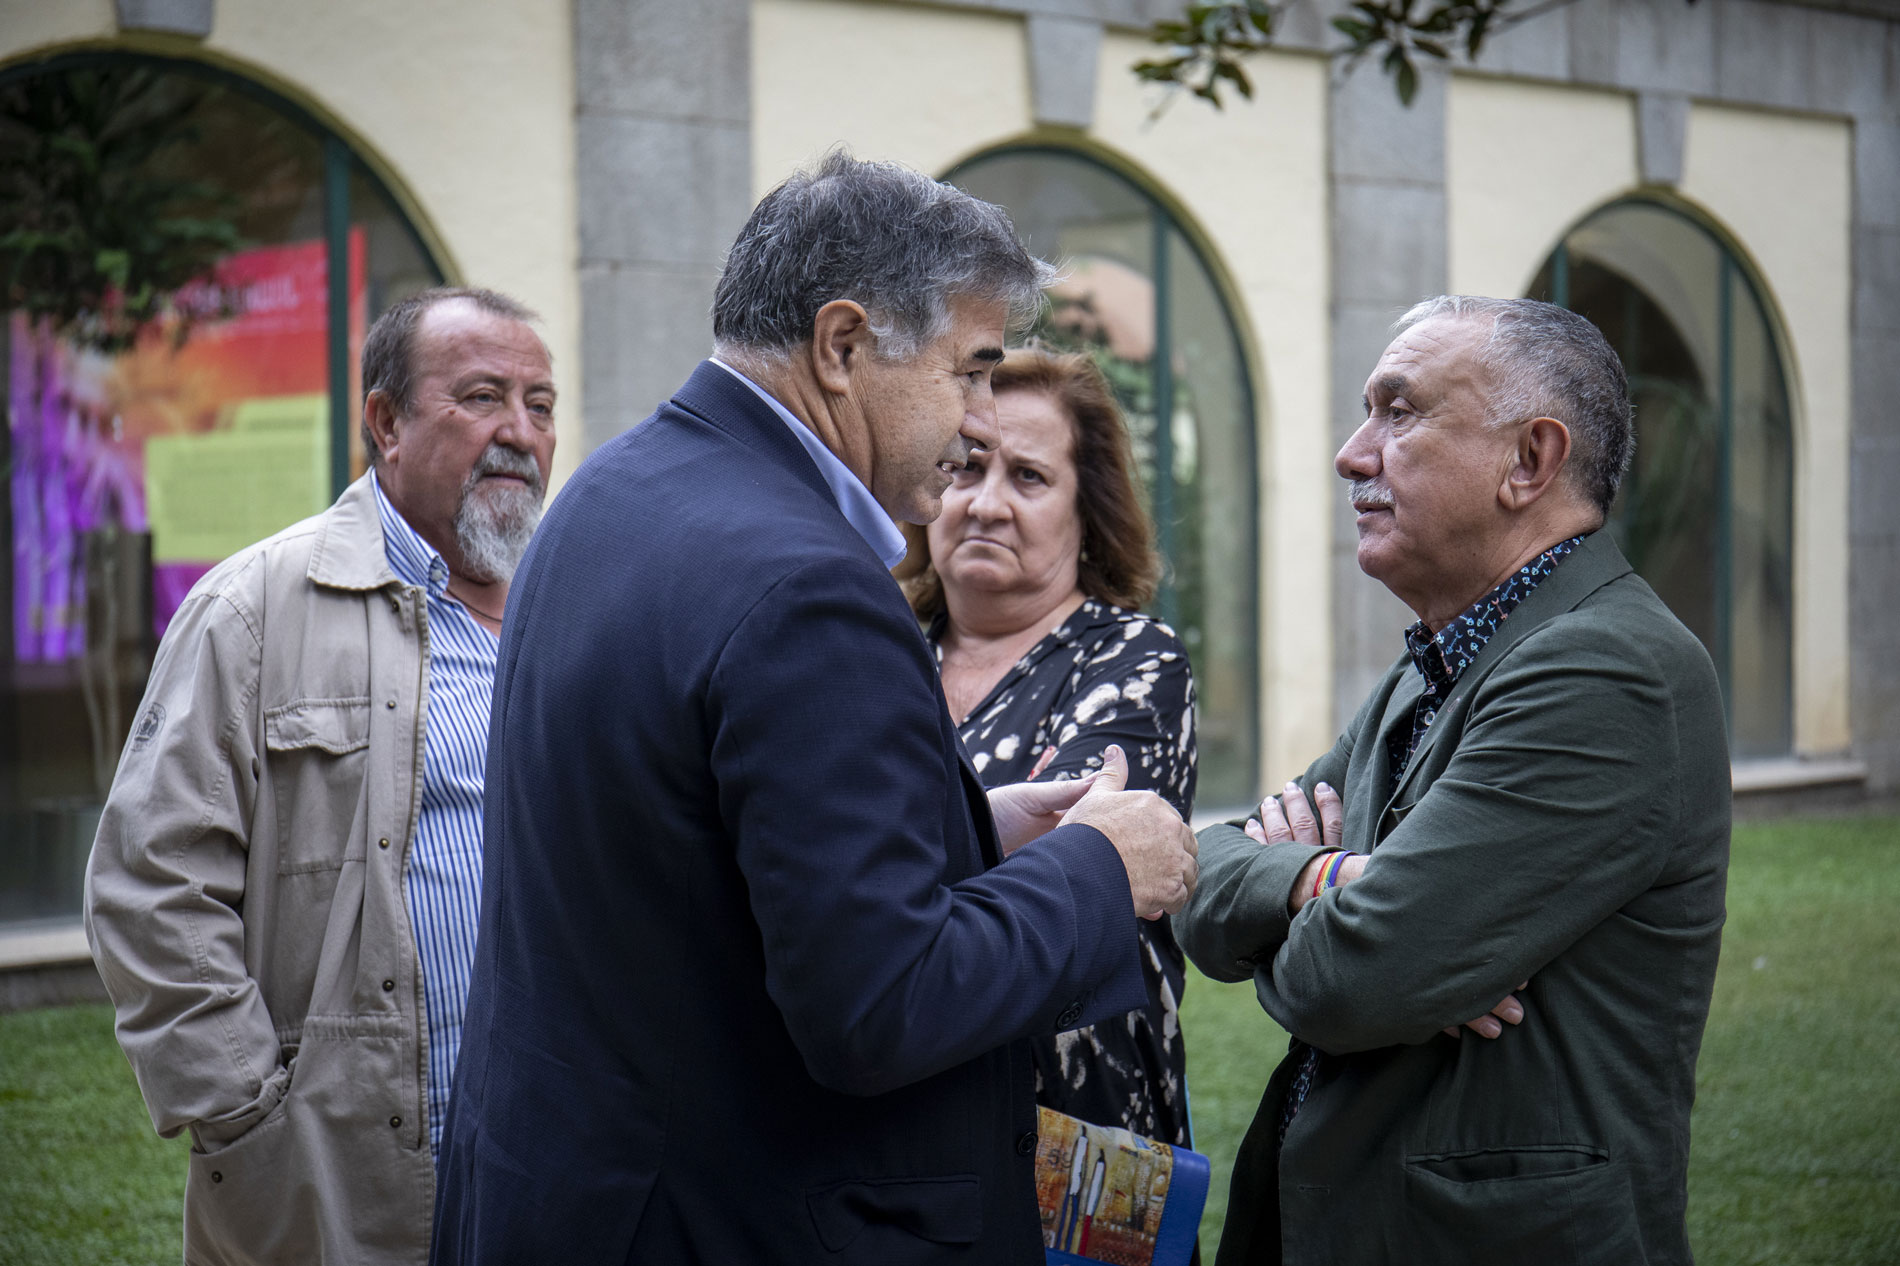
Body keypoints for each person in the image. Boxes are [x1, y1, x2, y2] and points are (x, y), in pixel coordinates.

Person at [431, 152, 1200, 1265]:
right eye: (969, 370)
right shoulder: (810, 584)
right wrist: (1099, 870)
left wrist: (975, 827)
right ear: (842, 347)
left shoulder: (611, 489)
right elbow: (878, 1005)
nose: (978, 414)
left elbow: (689, 857)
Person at [1176, 296, 1729, 1266]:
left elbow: (1353, 979)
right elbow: (1203, 884)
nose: (1353, 455)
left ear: (1529, 461)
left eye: (1400, 411)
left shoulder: (1606, 671)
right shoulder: (1438, 656)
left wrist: (1335, 904)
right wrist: (1326, 882)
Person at [84, 286, 557, 1266]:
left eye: (541, 404)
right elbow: (148, 881)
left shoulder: (580, 609)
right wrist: (245, 1118)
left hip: (551, 1164)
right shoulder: (254, 611)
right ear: (385, 421)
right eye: (481, 397)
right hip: (338, 1182)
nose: (520, 432)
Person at [897, 346, 1197, 1148]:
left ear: (1086, 512)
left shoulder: (1133, 661)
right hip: (909, 1111)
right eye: (967, 467)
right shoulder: (879, 650)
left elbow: (1066, 871)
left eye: (1028, 477)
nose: (987, 502)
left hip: (1075, 1127)